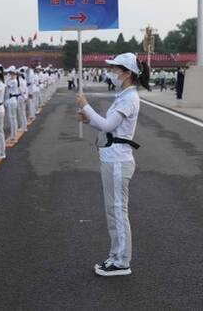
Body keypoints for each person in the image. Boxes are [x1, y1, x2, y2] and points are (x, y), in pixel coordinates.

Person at [75, 52, 150, 277]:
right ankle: (117, 255)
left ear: (128, 73)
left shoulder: (129, 98)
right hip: (112, 157)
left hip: (118, 160)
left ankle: (121, 261)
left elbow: (108, 126)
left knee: (117, 211)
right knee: (113, 210)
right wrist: (89, 121)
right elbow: (110, 127)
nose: (113, 73)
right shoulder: (123, 95)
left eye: (116, 69)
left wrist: (86, 106)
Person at [4, 66, 19, 143]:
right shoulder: (11, 80)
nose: (9, 74)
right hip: (11, 100)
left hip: (12, 100)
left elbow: (6, 85)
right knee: (12, 119)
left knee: (12, 119)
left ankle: (14, 136)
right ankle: (13, 135)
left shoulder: (14, 81)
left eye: (10, 73)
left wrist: (7, 79)